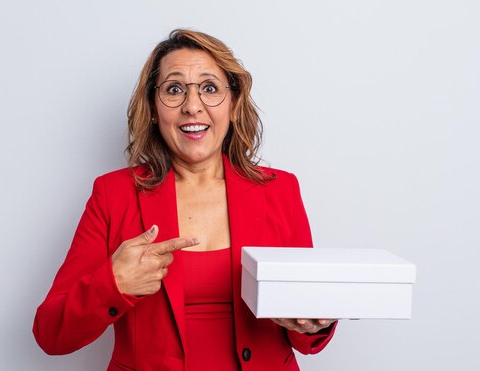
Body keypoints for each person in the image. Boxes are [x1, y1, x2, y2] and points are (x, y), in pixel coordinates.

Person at [33, 29, 337, 371]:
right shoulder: (113, 195)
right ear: (152, 108)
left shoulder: (280, 190)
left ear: (234, 105)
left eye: (209, 88)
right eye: (174, 89)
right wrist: (113, 284)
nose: (193, 106)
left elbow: (308, 333)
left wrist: (315, 321)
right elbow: (51, 334)